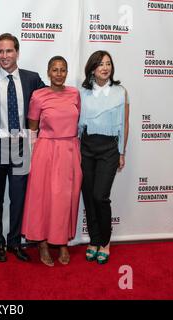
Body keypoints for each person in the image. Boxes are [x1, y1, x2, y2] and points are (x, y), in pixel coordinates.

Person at [0, 33, 44, 263]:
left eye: (9, 51)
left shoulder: (32, 79)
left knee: (18, 197)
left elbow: (48, 103)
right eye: (0, 51)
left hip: (21, 147)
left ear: (17, 52)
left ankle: (15, 241)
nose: (4, 56)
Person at [21, 56, 82, 267]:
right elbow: (32, 129)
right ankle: (43, 243)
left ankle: (62, 241)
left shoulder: (74, 93)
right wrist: (30, 157)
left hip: (70, 150)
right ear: (48, 72)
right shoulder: (38, 96)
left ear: (66, 72)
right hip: (46, 150)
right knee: (43, 198)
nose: (58, 73)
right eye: (55, 70)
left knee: (66, 198)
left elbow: (77, 120)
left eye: (62, 70)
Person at [79, 50, 129, 264]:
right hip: (86, 147)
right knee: (89, 196)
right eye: (100, 64)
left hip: (109, 148)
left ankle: (105, 242)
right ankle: (94, 240)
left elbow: (124, 124)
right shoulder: (82, 93)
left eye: (108, 63)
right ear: (92, 68)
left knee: (100, 196)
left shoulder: (121, 91)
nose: (105, 67)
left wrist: (121, 151)